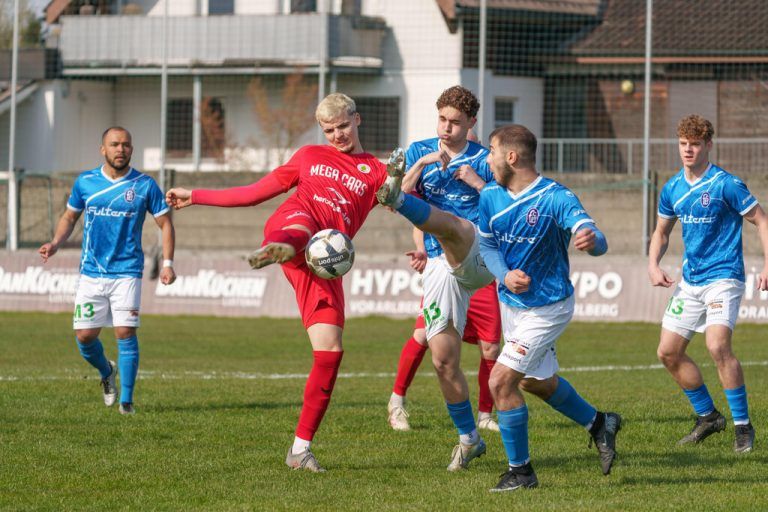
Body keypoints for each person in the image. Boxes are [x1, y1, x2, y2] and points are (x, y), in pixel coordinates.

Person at [166, 93, 393, 473]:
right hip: (293, 226)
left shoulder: (377, 172)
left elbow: (410, 201)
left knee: (330, 351)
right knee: (304, 226)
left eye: (342, 126)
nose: (337, 135)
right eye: (328, 130)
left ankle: (299, 450)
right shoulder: (308, 157)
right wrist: (196, 196)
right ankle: (280, 248)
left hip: (324, 263)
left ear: (358, 120)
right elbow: (255, 193)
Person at [476, 124, 621, 491]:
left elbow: (594, 234)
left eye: (491, 150)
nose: (487, 157)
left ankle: (521, 472)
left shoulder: (556, 197)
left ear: (512, 156)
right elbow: (488, 247)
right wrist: (505, 275)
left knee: (501, 381)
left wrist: (593, 241)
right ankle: (599, 423)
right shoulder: (490, 196)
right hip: (512, 304)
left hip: (548, 306)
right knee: (532, 382)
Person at [648, 114, 768, 453]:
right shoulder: (672, 188)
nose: (688, 150)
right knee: (668, 352)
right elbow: (661, 231)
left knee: (717, 346)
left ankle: (743, 427)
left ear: (708, 146)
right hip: (690, 281)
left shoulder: (725, 184)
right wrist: (653, 264)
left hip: (724, 277)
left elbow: (761, 220)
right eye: (684, 144)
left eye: (695, 144)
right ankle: (708, 417)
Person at [39, 126, 176, 416]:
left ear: (132, 149)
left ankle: (127, 403)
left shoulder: (144, 185)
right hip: (91, 271)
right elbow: (69, 217)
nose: (120, 149)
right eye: (114, 144)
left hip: (127, 270)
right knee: (85, 337)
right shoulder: (86, 182)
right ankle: (106, 370)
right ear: (103, 149)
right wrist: (55, 242)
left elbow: (165, 223)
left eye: (126, 144)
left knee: (125, 331)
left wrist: (167, 263)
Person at [387, 86, 501, 435]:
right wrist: (422, 164)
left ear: (471, 123)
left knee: (492, 344)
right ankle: (397, 403)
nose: (446, 128)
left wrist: (476, 181)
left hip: (477, 259)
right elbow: (400, 200)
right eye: (442, 119)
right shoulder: (419, 151)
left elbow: (503, 205)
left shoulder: (483, 158)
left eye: (454, 122)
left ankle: (485, 415)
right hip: (439, 262)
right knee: (426, 338)